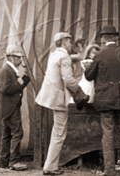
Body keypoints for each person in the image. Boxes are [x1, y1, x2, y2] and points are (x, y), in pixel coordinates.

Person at [35, 32, 89, 175]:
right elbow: (69, 80)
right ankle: (50, 168)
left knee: (56, 132)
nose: (71, 45)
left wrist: (78, 58)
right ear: (64, 42)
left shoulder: (54, 55)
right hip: (59, 99)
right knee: (59, 134)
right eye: (69, 42)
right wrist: (82, 95)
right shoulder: (64, 57)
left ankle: (49, 165)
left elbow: (68, 59)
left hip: (50, 97)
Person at [85, 25, 120, 176]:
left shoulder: (99, 55)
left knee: (108, 135)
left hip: (105, 99)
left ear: (103, 38)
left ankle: (110, 170)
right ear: (116, 38)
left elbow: (88, 76)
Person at [0, 45, 31, 171]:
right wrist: (20, 82)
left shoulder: (10, 70)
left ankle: (4, 161)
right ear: (10, 57)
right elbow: (6, 88)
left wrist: (24, 78)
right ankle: (14, 162)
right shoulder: (6, 70)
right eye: (17, 57)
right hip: (10, 107)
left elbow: (16, 86)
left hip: (7, 106)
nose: (20, 60)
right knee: (17, 133)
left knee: (6, 135)